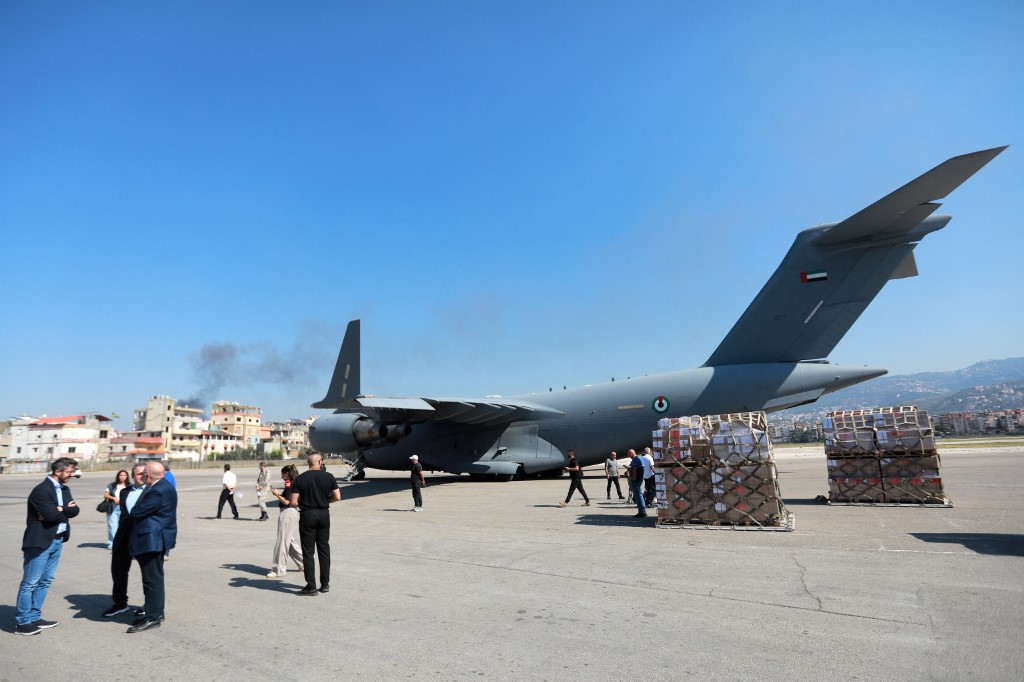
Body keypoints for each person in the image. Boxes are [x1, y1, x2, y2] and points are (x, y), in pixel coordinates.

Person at [15, 457, 80, 636]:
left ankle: (35, 617)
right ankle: (23, 622)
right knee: (30, 582)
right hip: (39, 542)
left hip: (57, 540)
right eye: (69, 472)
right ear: (57, 471)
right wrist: (60, 510)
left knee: (45, 580)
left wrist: (59, 510)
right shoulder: (41, 490)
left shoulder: (65, 489)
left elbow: (75, 511)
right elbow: (52, 515)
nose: (72, 475)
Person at [125, 461, 177, 633]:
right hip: (154, 539)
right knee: (155, 579)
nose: (141, 476)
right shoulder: (162, 486)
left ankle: (153, 617)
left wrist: (137, 506)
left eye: (143, 474)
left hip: (152, 540)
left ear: (148, 475)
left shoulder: (158, 490)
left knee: (152, 580)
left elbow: (136, 512)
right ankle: (156, 612)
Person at [289, 453, 340, 596]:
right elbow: (337, 497)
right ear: (320, 462)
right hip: (324, 514)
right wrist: (325, 501)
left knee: (308, 552)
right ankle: (325, 584)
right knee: (324, 549)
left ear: (308, 463)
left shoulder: (300, 479)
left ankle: (311, 586)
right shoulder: (329, 477)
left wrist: (305, 502)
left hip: (308, 515)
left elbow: (293, 502)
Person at [103, 463, 147, 618]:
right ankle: (120, 603)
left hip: (143, 538)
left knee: (148, 574)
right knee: (118, 572)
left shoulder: (153, 491)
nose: (140, 476)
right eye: (137, 473)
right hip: (123, 538)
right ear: (133, 475)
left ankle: (150, 604)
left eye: (143, 473)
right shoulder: (126, 492)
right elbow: (123, 514)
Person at [266, 464, 304, 578]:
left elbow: (287, 502)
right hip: (291, 513)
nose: (282, 476)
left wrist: (277, 494)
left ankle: (278, 569)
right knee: (289, 541)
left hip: (288, 512)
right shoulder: (295, 483)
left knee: (282, 541)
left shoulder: (292, 485)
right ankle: (304, 562)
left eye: (283, 474)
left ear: (287, 474)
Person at [103, 469, 129, 549]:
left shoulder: (129, 486)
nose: (122, 477)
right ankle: (112, 544)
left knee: (124, 527)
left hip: (125, 508)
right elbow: (105, 495)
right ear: (118, 476)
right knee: (113, 527)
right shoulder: (112, 485)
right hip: (113, 508)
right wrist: (113, 498)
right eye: (121, 475)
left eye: (124, 475)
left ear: (127, 476)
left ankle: (122, 543)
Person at [626, 449, 647, 518]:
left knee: (638, 496)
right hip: (639, 480)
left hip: (636, 480)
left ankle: (642, 512)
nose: (628, 456)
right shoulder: (638, 459)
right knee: (639, 495)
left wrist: (633, 478)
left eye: (629, 454)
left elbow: (635, 469)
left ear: (631, 453)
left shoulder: (635, 460)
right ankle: (643, 511)